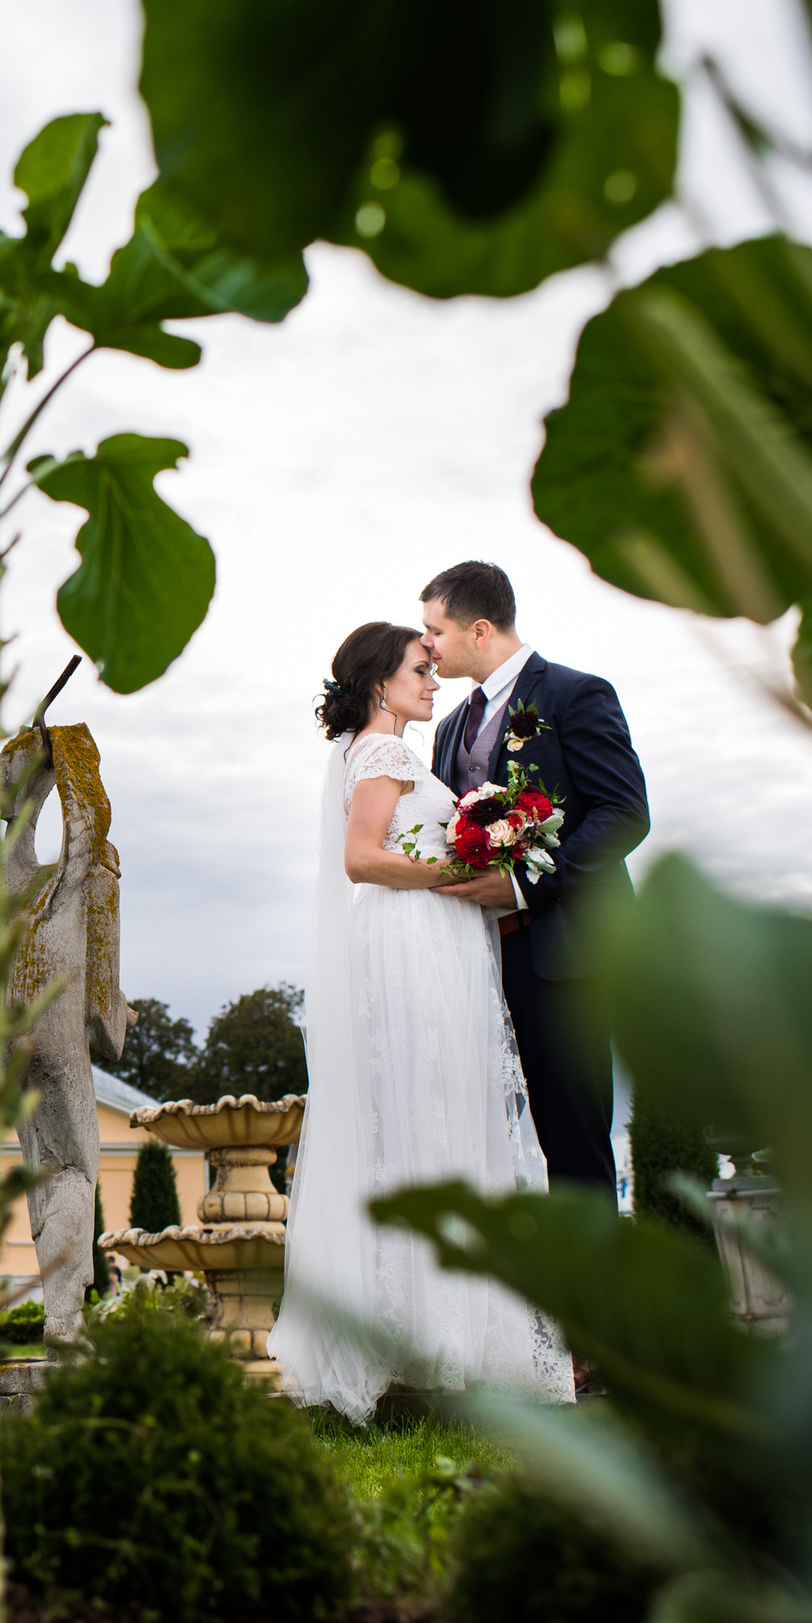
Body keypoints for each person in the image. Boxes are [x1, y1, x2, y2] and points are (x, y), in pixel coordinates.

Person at [267, 618, 574, 1420]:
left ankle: (433, 1326)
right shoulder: (382, 750)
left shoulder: (384, 751)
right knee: (425, 1113)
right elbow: (361, 857)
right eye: (419, 668)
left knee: (425, 1115)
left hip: (427, 940)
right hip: (410, 942)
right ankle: (431, 1332)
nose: (434, 680)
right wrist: (458, 868)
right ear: (379, 682)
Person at [418, 561, 649, 1192]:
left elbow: (625, 814)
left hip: (563, 958)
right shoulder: (448, 728)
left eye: (434, 630)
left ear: (481, 629)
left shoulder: (576, 694)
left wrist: (525, 886)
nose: (426, 645)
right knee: (480, 1142)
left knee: (573, 1145)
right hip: (475, 960)